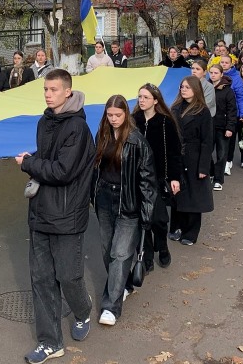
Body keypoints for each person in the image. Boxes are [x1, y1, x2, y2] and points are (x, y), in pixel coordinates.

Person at [16, 69, 96, 364]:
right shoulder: (43, 122)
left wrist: (28, 163)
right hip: (39, 213)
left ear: (68, 92)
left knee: (68, 276)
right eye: (45, 89)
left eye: (53, 89)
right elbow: (46, 159)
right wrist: (34, 159)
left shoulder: (77, 128)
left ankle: (83, 309)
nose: (48, 94)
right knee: (41, 279)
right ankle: (50, 342)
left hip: (66, 216)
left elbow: (62, 171)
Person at [91, 94, 156, 327]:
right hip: (104, 199)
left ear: (126, 114)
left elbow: (148, 180)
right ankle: (124, 284)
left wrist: (147, 213)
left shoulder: (137, 141)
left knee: (120, 253)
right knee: (108, 250)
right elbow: (94, 168)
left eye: (118, 115)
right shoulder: (102, 135)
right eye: (109, 115)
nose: (114, 119)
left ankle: (111, 306)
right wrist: (93, 194)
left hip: (128, 203)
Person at [132, 83, 183, 271]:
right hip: (137, 179)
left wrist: (174, 178)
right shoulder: (133, 120)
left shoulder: (165, 122)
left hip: (158, 178)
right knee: (140, 219)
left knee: (159, 219)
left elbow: (174, 152)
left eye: (146, 97)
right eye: (140, 97)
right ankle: (145, 253)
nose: (142, 100)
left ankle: (162, 248)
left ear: (155, 100)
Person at [168, 76, 214, 246]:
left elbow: (207, 141)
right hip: (177, 157)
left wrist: (203, 167)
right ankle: (176, 227)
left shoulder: (202, 111)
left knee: (194, 197)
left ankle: (191, 232)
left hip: (194, 158)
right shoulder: (175, 108)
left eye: (187, 87)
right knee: (176, 193)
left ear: (195, 89)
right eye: (181, 87)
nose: (183, 89)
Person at [208, 63, 238, 192]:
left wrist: (230, 128)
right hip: (208, 126)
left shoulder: (228, 91)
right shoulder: (206, 88)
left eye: (215, 73)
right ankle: (210, 172)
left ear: (221, 74)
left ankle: (218, 179)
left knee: (221, 154)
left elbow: (232, 110)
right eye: (211, 73)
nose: (213, 75)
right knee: (206, 152)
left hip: (222, 127)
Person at [219, 54, 243, 176]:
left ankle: (227, 161)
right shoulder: (214, 75)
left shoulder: (236, 78)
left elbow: (241, 97)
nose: (224, 64)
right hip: (218, 113)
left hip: (232, 113)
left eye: (226, 62)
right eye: (222, 62)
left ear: (231, 64)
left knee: (229, 140)